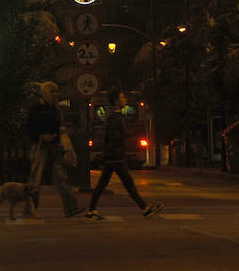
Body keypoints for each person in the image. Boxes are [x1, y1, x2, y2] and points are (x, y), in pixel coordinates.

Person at [86, 90, 164, 220]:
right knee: (124, 184)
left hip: (113, 156)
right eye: (122, 98)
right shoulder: (114, 118)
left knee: (114, 184)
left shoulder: (114, 116)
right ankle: (144, 208)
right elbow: (114, 135)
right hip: (114, 156)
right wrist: (124, 136)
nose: (125, 100)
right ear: (116, 101)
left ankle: (144, 208)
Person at [26, 81, 84, 218]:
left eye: (56, 91)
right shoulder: (36, 108)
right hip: (40, 145)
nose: (56, 94)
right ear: (44, 93)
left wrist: (56, 138)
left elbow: (58, 126)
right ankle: (30, 209)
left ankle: (71, 208)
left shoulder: (55, 109)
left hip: (54, 146)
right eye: (52, 91)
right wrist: (41, 136)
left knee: (61, 177)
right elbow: (29, 127)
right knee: (35, 179)